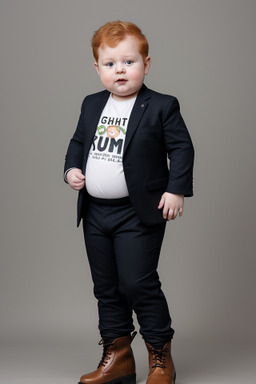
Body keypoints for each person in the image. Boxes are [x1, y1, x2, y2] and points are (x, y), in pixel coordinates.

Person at [64, 20, 194, 384]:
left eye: (129, 62)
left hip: (138, 213)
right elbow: (78, 142)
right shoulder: (92, 105)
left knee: (138, 282)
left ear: (146, 65)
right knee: (105, 286)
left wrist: (176, 188)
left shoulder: (161, 105)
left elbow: (181, 147)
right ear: (97, 68)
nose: (119, 70)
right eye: (110, 64)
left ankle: (159, 355)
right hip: (95, 213)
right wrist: (71, 168)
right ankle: (118, 357)